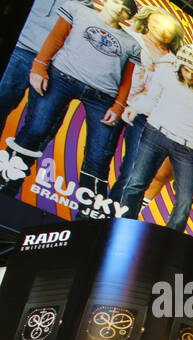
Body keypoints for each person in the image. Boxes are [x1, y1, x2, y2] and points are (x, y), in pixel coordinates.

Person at [0, 0, 141, 215]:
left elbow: (126, 78)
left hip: (93, 90)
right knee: (34, 128)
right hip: (50, 68)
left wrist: (119, 105)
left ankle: (88, 216)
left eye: (125, 8)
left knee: (95, 154)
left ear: (127, 16)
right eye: (116, 2)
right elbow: (56, 37)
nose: (119, 8)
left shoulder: (128, 41)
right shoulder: (79, 11)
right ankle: (5, 183)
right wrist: (39, 65)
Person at [116, 43, 193, 231]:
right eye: (186, 70)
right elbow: (150, 100)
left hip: (186, 148)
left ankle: (170, 237)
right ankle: (124, 223)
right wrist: (134, 108)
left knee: (184, 200)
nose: (189, 76)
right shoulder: (166, 78)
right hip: (156, 134)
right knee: (137, 182)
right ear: (180, 65)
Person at [107, 4, 183, 208]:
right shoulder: (129, 38)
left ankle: (112, 209)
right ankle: (92, 203)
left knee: (133, 169)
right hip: (115, 102)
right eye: (157, 23)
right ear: (147, 21)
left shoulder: (175, 63)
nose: (162, 30)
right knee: (100, 154)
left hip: (146, 117)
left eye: (168, 28)